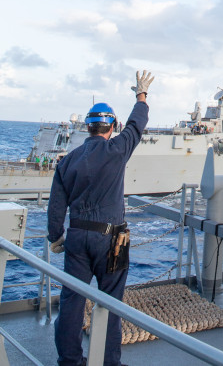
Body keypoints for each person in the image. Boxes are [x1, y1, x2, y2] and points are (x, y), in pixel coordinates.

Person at [47, 70, 154, 366]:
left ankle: (70, 361)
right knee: (110, 303)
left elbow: (56, 206)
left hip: (77, 239)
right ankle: (110, 363)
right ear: (112, 126)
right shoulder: (117, 150)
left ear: (88, 128)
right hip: (112, 241)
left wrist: (56, 237)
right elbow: (137, 125)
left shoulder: (67, 161)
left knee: (71, 301)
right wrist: (141, 96)